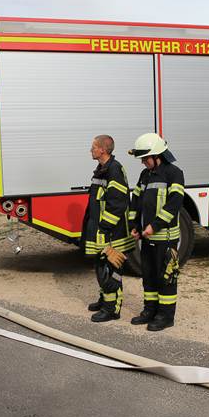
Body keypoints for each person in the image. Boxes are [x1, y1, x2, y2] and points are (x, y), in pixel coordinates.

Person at [128, 133, 185, 332]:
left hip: (165, 239)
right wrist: (135, 225)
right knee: (149, 276)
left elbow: (174, 205)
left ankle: (165, 316)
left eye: (145, 158)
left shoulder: (174, 174)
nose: (143, 162)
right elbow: (136, 201)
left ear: (157, 155)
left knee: (166, 277)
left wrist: (155, 225)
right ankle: (150, 310)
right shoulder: (145, 175)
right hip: (147, 238)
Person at [82, 135, 135, 322]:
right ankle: (105, 300)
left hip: (112, 233)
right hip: (101, 230)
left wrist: (104, 228)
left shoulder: (114, 170)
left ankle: (112, 309)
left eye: (94, 147)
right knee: (100, 266)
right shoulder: (102, 169)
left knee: (111, 270)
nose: (91, 150)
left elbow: (118, 204)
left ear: (103, 150)